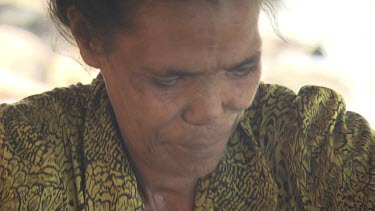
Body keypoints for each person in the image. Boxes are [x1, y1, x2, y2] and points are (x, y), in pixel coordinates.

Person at [0, 0, 374, 210]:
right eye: (171, 79)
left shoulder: (307, 143)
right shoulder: (18, 160)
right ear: (89, 39)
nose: (211, 111)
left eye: (241, 69)